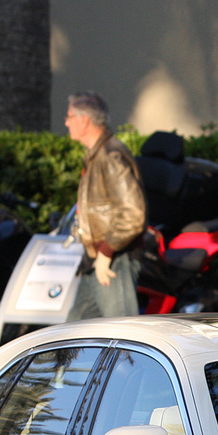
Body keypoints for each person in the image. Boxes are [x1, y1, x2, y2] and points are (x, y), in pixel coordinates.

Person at [64, 91, 146, 321]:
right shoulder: (97, 155)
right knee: (71, 338)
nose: (66, 122)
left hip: (113, 260)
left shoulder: (110, 156)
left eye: (70, 116)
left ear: (84, 121)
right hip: (96, 261)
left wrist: (106, 253)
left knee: (121, 338)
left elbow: (133, 214)